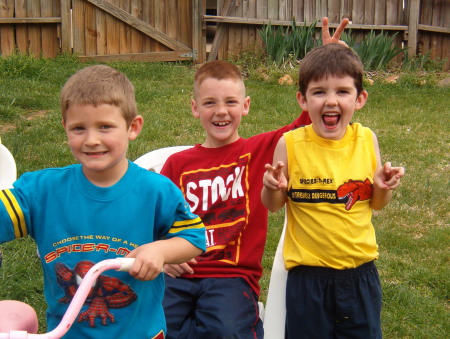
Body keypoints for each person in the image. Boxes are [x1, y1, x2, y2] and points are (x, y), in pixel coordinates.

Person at [160, 17, 350, 339]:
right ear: (195, 108)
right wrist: (164, 253)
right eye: (210, 103)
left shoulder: (258, 151)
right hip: (179, 275)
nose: (221, 111)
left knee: (227, 330)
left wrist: (325, 64)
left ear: (245, 106)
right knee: (155, 327)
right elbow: (155, 214)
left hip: (232, 278)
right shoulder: (177, 164)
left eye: (230, 102)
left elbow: (305, 125)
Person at [0, 65, 206, 338]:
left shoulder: (156, 191)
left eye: (105, 127)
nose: (92, 140)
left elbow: (194, 238)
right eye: (78, 128)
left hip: (139, 332)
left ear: (133, 127)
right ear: (64, 128)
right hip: (67, 334)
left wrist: (161, 251)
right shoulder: (41, 191)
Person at [261, 43, 405, 338]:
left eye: (342, 91)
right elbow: (273, 205)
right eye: (319, 92)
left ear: (360, 98)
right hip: (307, 278)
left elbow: (376, 204)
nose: (331, 101)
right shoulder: (290, 144)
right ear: (302, 100)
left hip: (360, 273)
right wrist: (273, 187)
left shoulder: (366, 140)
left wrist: (383, 186)